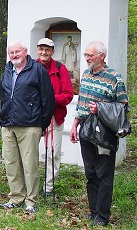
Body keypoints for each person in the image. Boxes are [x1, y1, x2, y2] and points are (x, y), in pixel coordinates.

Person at [69, 41, 128, 226]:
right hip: (85, 129)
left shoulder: (114, 78)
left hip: (104, 133)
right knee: (91, 173)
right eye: (85, 55)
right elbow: (81, 104)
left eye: (90, 55)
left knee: (104, 174)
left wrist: (101, 109)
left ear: (102, 56)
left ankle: (103, 216)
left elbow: (122, 107)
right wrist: (74, 126)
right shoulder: (85, 74)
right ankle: (93, 211)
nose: (86, 58)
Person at [0, 41, 54, 213]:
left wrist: (41, 123)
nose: (14, 55)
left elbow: (48, 99)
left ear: (25, 52)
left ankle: (31, 201)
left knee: (29, 164)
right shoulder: (8, 70)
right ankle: (16, 197)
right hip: (8, 124)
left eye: (17, 52)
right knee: (11, 162)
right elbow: (3, 95)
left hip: (30, 125)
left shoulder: (37, 70)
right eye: (11, 53)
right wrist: (3, 117)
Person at [35, 38, 74, 197]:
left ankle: (48, 188)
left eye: (47, 50)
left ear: (52, 51)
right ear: (37, 50)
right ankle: (30, 184)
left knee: (53, 153)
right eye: (41, 49)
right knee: (30, 152)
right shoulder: (32, 67)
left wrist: (49, 98)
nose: (44, 52)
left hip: (54, 117)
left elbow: (68, 95)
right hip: (34, 117)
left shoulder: (60, 69)